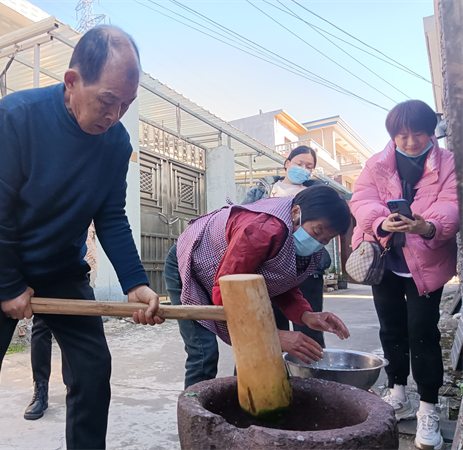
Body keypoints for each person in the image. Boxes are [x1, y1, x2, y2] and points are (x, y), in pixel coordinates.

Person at [0, 26, 163, 450]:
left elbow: (110, 216)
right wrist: (12, 286)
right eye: (108, 100)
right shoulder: (16, 117)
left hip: (60, 265)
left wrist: (135, 282)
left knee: (92, 370)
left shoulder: (115, 143)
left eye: (126, 104)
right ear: (72, 82)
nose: (115, 115)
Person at [164, 185, 351, 389]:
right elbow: (227, 292)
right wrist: (273, 335)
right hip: (191, 263)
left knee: (253, 348)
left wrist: (307, 316)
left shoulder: (308, 248)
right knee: (203, 352)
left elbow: (282, 281)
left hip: (226, 276)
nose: (318, 241)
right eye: (317, 231)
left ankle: (241, 411)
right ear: (296, 212)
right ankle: (195, 415)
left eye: (326, 239)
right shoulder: (265, 229)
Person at [350, 100, 458, 450]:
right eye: (402, 135)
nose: (410, 141)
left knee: (422, 332)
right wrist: (381, 220)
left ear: (431, 131)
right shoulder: (376, 163)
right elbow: (362, 199)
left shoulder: (448, 163)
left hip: (426, 262)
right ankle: (397, 391)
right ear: (392, 135)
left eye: (417, 133)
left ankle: (428, 404)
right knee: (391, 327)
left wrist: (428, 226)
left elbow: (451, 203)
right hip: (385, 258)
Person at [241, 146, 331, 347]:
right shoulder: (261, 192)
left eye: (309, 166)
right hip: (269, 267)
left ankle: (312, 376)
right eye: (299, 163)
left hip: (307, 268)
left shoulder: (316, 194)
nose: (303, 169)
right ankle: (270, 376)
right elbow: (244, 226)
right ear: (287, 163)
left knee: (309, 328)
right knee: (270, 327)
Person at [24, 225, 99, 421]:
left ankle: (73, 387)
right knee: (41, 327)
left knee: (74, 327)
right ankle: (40, 389)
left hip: (79, 263)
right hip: (44, 264)